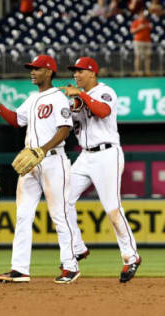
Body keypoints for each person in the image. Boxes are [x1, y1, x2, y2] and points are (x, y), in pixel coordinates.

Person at [0, 55, 79, 284]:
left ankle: (70, 266)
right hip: (31, 163)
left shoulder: (58, 98)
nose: (32, 72)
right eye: (31, 69)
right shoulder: (32, 98)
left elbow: (64, 130)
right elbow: (17, 120)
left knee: (59, 214)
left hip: (53, 160)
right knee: (23, 215)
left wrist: (42, 150)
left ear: (49, 72)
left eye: (36, 69)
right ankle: (20, 269)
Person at [60, 57, 141, 283]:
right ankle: (77, 247)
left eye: (79, 71)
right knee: (63, 200)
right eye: (74, 72)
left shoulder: (106, 91)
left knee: (113, 209)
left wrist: (79, 95)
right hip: (85, 156)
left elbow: (102, 111)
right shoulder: (78, 97)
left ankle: (131, 256)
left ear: (92, 73)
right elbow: (70, 117)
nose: (75, 75)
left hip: (107, 154)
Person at [130, 10, 152, 76]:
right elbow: (132, 31)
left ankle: (147, 72)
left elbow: (150, 30)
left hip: (147, 42)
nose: (144, 16)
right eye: (142, 15)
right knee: (138, 57)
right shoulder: (136, 22)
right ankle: (137, 72)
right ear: (140, 15)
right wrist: (139, 28)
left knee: (147, 57)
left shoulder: (147, 22)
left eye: (145, 15)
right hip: (138, 41)